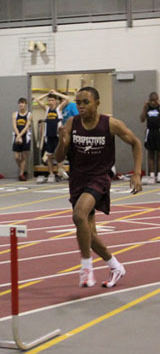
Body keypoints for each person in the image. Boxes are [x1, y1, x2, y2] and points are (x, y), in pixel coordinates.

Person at [55, 86, 142, 288]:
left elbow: (136, 142)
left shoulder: (109, 124)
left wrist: (137, 173)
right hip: (77, 180)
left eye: (86, 102)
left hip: (99, 178)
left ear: (97, 103)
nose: (81, 106)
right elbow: (59, 158)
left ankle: (86, 269)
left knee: (78, 215)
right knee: (89, 234)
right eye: (78, 102)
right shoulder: (72, 123)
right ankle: (115, 266)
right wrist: (62, 142)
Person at [36, 89, 69, 182]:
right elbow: (37, 100)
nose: (50, 102)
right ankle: (51, 174)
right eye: (49, 100)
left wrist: (55, 93)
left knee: (59, 156)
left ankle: (59, 173)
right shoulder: (46, 109)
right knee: (49, 156)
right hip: (48, 135)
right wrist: (47, 94)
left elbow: (67, 98)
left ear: (56, 101)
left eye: (52, 100)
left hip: (57, 136)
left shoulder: (59, 109)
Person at [139, 91, 160, 182]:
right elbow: (142, 119)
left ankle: (159, 174)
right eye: (151, 101)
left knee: (159, 154)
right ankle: (152, 175)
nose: (153, 103)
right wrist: (144, 107)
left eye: (155, 100)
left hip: (158, 131)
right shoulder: (147, 108)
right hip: (150, 132)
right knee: (151, 154)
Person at [11, 97, 32, 181]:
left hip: (25, 136)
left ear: (25, 104)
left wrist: (20, 136)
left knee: (24, 156)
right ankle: (23, 170)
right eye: (20, 103)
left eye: (23, 103)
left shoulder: (29, 115)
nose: (21, 105)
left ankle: (21, 174)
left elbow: (27, 126)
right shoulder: (15, 114)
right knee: (16, 157)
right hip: (16, 135)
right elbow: (14, 125)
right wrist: (18, 136)